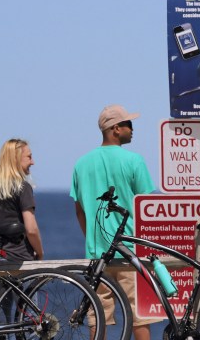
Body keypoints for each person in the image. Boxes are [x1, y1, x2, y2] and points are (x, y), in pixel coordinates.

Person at [70, 104, 156, 340]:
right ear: (115, 128)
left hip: (97, 253)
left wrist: (93, 238)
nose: (133, 129)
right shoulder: (134, 161)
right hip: (131, 251)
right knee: (139, 314)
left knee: (97, 315)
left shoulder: (81, 164)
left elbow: (80, 211)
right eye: (128, 124)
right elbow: (148, 209)